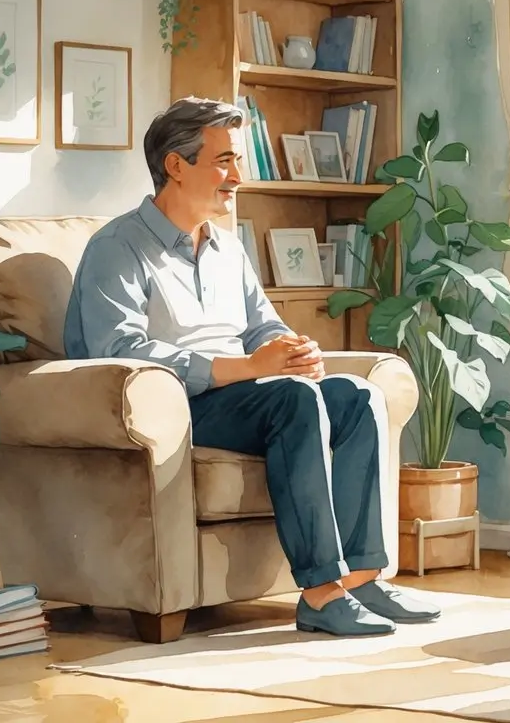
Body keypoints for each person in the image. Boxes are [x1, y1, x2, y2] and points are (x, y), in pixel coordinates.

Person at [64, 97, 440, 637]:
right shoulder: (118, 248)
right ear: (176, 165)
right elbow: (119, 350)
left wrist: (290, 349)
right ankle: (319, 594)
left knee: (355, 397)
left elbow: (261, 325)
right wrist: (243, 367)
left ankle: (360, 579)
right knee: (296, 399)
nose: (237, 177)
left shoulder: (226, 247)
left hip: (245, 394)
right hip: (176, 405)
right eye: (224, 161)